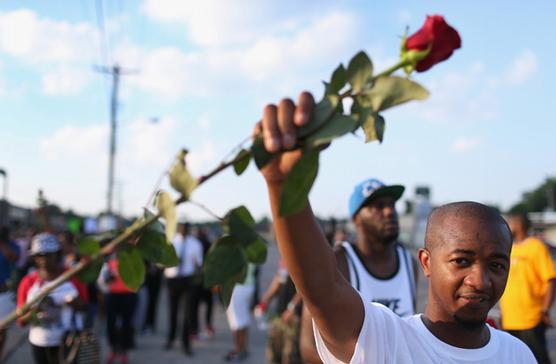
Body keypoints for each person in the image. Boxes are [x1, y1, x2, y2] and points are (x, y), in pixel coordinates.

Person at [254, 91, 535, 363]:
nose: (481, 280)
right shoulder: (385, 341)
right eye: (462, 261)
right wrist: (284, 186)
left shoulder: (518, 354)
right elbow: (322, 286)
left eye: (497, 265)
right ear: (426, 261)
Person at [300, 178, 418, 363]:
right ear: (356, 219)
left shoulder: (409, 262)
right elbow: (309, 346)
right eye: (378, 206)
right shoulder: (338, 261)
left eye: (391, 205)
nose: (389, 212)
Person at [16, 233, 88, 364]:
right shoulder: (28, 282)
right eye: (39, 255)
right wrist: (33, 312)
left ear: (57, 254)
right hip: (39, 342)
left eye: (48, 255)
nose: (43, 260)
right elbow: (21, 320)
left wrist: (73, 302)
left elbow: (85, 307)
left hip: (67, 342)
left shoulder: (72, 277)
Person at [500, 213, 556, 364]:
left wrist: (545, 310)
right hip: (510, 319)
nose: (507, 226)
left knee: (538, 359)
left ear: (519, 225)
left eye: (510, 222)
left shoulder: (536, 247)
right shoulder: (507, 248)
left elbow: (550, 280)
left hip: (532, 318)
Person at [163, 222, 203, 355]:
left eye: (186, 228)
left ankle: (186, 343)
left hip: (187, 279)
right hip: (173, 279)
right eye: (181, 228)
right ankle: (171, 338)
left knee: (187, 312)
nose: (183, 230)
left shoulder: (195, 243)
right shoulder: (171, 242)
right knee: (172, 310)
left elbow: (199, 263)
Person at [256, 259, 303, 364]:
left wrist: (291, 309)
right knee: (273, 353)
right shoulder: (285, 256)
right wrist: (265, 301)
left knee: (290, 355)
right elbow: (279, 278)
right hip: (279, 312)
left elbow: (303, 288)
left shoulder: (304, 256)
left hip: (295, 316)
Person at [97, 253, 138, 364]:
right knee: (111, 323)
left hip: (129, 295)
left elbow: (139, 277)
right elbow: (101, 281)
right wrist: (108, 279)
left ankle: (124, 352)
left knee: (126, 324)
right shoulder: (108, 261)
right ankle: (114, 350)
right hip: (112, 296)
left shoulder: (132, 259)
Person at [224, 263, 257, 362]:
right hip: (248, 284)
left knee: (236, 321)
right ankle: (242, 348)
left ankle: (238, 350)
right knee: (243, 318)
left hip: (237, 286)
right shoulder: (250, 248)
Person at [0, 226, 20, 359]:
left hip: (4, 295)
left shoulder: (13, 245)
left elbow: (13, 257)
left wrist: (2, 243)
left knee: (1, 331)